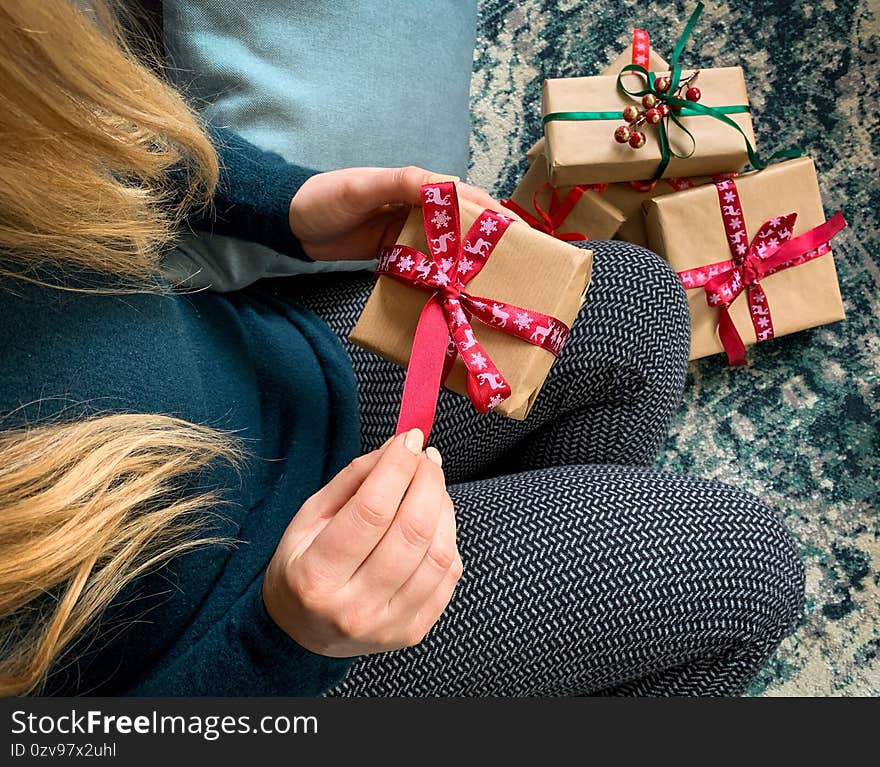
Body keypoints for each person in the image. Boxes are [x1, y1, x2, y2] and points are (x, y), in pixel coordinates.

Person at [0, 0, 803, 697]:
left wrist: (287, 203)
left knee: (635, 303)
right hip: (240, 643)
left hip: (267, 384)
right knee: (747, 576)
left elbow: (64, 137)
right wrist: (278, 649)